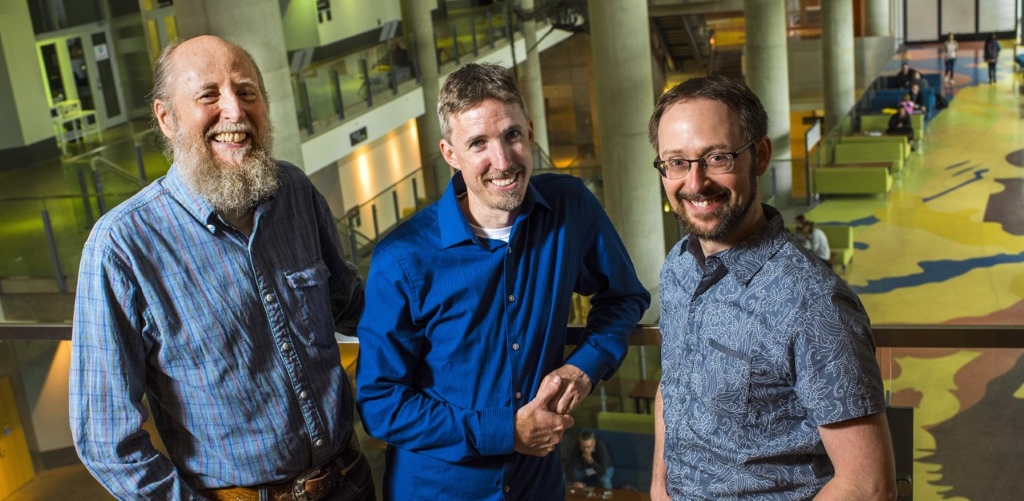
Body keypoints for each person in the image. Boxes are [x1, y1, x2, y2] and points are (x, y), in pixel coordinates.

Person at [69, 35, 375, 501]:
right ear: (166, 118)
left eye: (246, 91)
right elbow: (106, 440)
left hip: (350, 480)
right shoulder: (122, 247)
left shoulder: (292, 190)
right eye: (208, 95)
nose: (234, 111)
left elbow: (351, 305)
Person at [355, 62, 650, 500]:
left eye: (511, 135)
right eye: (478, 143)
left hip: (538, 486)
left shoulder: (571, 208)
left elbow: (624, 297)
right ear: (450, 154)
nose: (503, 161)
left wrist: (584, 367)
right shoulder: (402, 258)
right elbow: (381, 404)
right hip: (437, 490)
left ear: (530, 132)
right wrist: (505, 432)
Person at [646, 74, 896, 500]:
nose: (694, 182)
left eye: (717, 157)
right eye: (676, 162)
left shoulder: (812, 302)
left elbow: (868, 486)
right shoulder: (678, 268)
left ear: (759, 155)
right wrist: (658, 487)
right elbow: (672, 387)